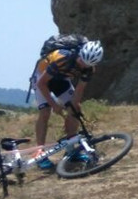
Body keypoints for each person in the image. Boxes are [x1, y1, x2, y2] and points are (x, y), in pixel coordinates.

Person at [32, 40, 104, 169]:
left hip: (61, 80)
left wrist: (73, 109)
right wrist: (54, 105)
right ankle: (40, 152)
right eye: (81, 61)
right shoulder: (63, 59)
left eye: (87, 65)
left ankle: (71, 148)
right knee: (45, 112)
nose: (83, 66)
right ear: (79, 54)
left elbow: (78, 92)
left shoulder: (89, 69)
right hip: (42, 77)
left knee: (75, 109)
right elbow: (41, 84)